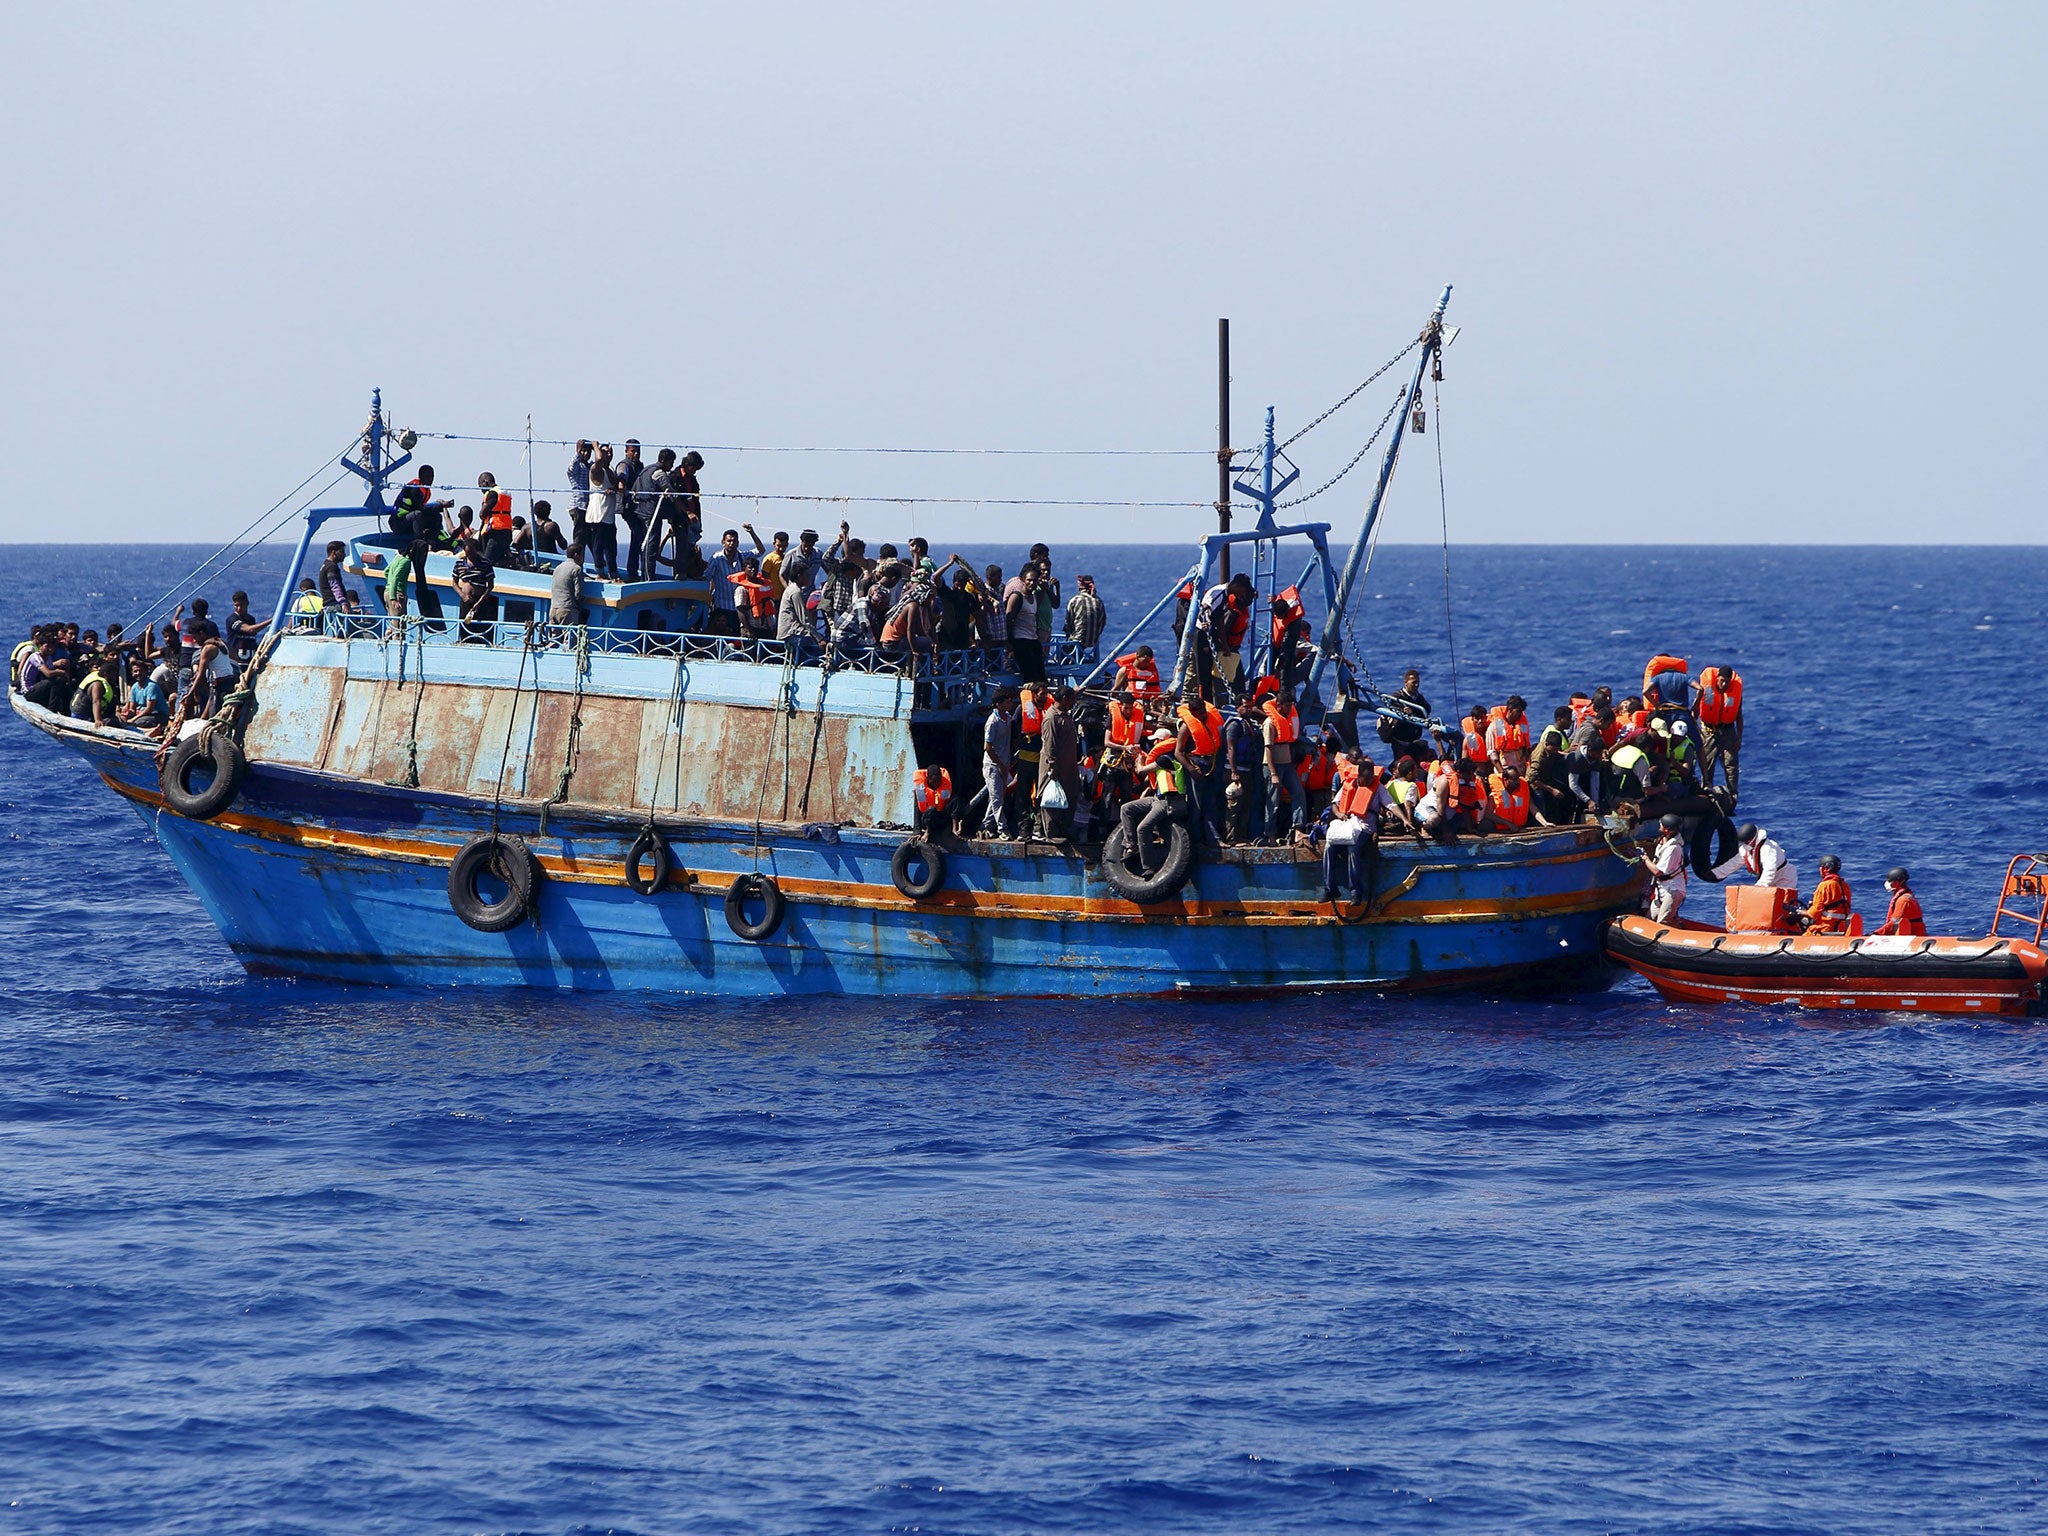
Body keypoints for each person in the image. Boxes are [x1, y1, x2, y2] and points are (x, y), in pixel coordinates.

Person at [1118, 729, 1189, 872]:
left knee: (1143, 828)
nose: (1154, 743)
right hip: (1157, 798)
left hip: (1168, 801)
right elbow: (1147, 780)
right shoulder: (1165, 758)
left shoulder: (1165, 759)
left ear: (1162, 741)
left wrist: (1139, 758)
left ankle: (1149, 866)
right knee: (1126, 809)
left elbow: (1141, 771)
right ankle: (1131, 845)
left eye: (1156, 740)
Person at [1036, 687, 1082, 841]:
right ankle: (1051, 832)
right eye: (1071, 700)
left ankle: (1064, 829)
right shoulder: (1051, 718)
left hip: (1069, 766)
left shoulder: (1065, 716)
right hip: (1056, 767)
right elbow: (1049, 745)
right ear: (1064, 699)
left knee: (1070, 796)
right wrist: (1053, 766)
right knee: (1052, 798)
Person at [1695, 663, 1744, 800]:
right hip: (1708, 730)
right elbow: (1696, 708)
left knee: (1731, 763)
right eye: (1722, 680)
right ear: (1717, 678)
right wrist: (1694, 728)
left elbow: (1739, 716)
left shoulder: (1736, 691)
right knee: (1707, 762)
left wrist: (1739, 739)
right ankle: (1706, 789)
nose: (1724, 684)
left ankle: (1733, 793)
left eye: (1727, 682)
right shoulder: (1705, 688)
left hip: (1727, 731)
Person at [1262, 687, 1306, 840]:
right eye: (1287, 706)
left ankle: (1298, 829)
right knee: (1272, 801)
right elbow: (1268, 749)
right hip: (1273, 766)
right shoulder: (1269, 723)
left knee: (1298, 793)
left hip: (1287, 764)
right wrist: (1273, 774)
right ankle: (1270, 835)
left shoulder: (1288, 720)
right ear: (1278, 705)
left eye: (1291, 706)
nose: (1289, 709)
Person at [1715, 822, 1795, 894]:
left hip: (1783, 877)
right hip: (1766, 878)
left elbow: (1770, 868)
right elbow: (1733, 864)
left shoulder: (1767, 848)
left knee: (1783, 902)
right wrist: (1715, 874)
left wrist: (1760, 886)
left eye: (1746, 842)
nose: (1745, 845)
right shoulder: (1745, 849)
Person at [981, 689, 1018, 839]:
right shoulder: (992, 722)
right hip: (992, 766)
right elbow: (987, 747)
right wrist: (1000, 765)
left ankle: (986, 824)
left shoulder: (1007, 718)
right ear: (998, 704)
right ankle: (1003, 829)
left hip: (1004, 763)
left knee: (996, 797)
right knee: (997, 798)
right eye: (1007, 702)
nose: (1010, 704)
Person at [1641, 813, 1688, 923]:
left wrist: (1645, 859)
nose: (1659, 826)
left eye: (1661, 825)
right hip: (1661, 890)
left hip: (1672, 890)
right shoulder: (1662, 842)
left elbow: (1658, 871)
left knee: (1662, 923)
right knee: (1649, 920)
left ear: (1667, 830)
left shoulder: (1673, 849)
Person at [1003, 564, 1046, 683]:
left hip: (1033, 639)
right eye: (1029, 580)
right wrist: (1009, 642)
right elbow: (1008, 619)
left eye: (1034, 580)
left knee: (1041, 677)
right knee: (1030, 678)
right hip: (1020, 640)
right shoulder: (1017, 596)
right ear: (1023, 580)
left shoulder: (1034, 597)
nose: (1032, 583)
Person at [583, 444, 621, 579]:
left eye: (610, 452)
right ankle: (600, 571)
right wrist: (595, 446)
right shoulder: (596, 469)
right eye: (605, 452)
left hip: (609, 515)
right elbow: (598, 460)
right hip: (598, 515)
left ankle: (613, 572)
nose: (608, 455)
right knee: (598, 546)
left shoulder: (610, 469)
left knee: (611, 547)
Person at [616, 440, 651, 580]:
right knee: (639, 535)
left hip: (638, 507)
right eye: (633, 451)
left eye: (638, 451)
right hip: (628, 506)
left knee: (637, 536)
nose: (636, 454)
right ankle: (633, 570)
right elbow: (621, 479)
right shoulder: (624, 465)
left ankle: (636, 570)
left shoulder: (640, 466)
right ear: (626, 451)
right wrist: (623, 489)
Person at [390, 466, 452, 540]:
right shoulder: (414, 488)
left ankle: (434, 541)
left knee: (437, 517)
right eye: (427, 476)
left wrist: (440, 507)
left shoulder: (426, 491)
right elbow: (419, 508)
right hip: (398, 523)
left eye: (432, 476)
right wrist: (440, 506)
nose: (430, 479)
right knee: (417, 515)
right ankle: (420, 542)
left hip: (409, 520)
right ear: (421, 476)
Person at [1803, 855, 1853, 934]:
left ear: (1825, 869)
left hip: (1824, 927)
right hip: (1841, 928)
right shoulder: (1845, 886)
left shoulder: (1825, 885)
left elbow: (1814, 913)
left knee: (1806, 934)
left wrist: (1798, 912)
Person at [704, 529, 746, 621]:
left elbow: (760, 551)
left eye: (734, 541)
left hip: (739, 608)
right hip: (721, 607)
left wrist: (751, 532)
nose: (731, 543)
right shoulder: (716, 558)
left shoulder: (741, 556)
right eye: (729, 541)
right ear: (723, 542)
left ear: (738, 543)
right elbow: (707, 577)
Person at [1876, 867, 1926, 937]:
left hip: (1913, 935)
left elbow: (1894, 923)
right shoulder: (1904, 896)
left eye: (1890, 881)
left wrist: (1876, 934)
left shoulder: (1903, 900)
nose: (1887, 883)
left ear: (1898, 882)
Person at [225, 591, 270, 668]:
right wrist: (271, 620)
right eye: (236, 605)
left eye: (241, 605)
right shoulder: (232, 619)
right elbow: (249, 629)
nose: (239, 608)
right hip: (236, 664)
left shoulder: (251, 619)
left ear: (247, 603)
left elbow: (252, 639)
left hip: (250, 664)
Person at [1486, 697, 1530, 774]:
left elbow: (1526, 747)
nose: (1521, 714)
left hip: (1521, 770)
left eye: (1522, 711)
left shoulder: (1522, 726)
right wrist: (1503, 773)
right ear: (1510, 710)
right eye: (1518, 711)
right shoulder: (1494, 727)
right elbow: (1491, 753)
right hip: (1504, 769)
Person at [1064, 574, 1106, 654]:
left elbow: (1068, 623)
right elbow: (1102, 622)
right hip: (1093, 641)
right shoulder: (1098, 601)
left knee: (1063, 652)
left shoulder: (1075, 600)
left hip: (1077, 641)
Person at [550, 542, 587, 628]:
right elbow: (578, 593)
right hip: (567, 609)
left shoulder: (558, 568)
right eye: (582, 555)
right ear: (576, 555)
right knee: (569, 639)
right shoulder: (576, 569)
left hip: (554, 608)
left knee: (554, 638)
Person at [913, 763, 953, 838]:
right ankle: (928, 832)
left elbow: (947, 805)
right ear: (928, 778)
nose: (937, 783)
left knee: (956, 801)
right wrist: (916, 831)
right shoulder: (921, 789)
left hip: (939, 817)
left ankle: (952, 830)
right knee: (932, 809)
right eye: (934, 781)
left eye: (939, 780)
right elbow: (917, 810)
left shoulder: (945, 785)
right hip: (927, 819)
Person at [382, 542, 419, 618]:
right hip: (397, 594)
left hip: (387, 592)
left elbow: (386, 571)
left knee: (392, 621)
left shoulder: (397, 558)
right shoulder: (406, 561)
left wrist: (389, 585)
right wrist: (393, 598)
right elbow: (395, 578)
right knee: (398, 624)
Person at [317, 541, 353, 611]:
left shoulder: (325, 565)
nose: (344, 554)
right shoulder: (331, 567)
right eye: (342, 552)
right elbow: (334, 585)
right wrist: (343, 603)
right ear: (334, 553)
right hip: (335, 605)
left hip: (329, 605)